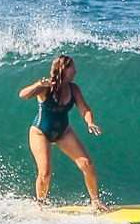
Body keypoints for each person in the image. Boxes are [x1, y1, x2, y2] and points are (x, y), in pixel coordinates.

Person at [18, 54, 109, 209]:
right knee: (45, 173)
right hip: (40, 132)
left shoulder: (74, 89)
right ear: (63, 69)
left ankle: (96, 201)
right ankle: (40, 204)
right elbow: (23, 95)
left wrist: (90, 122)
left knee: (87, 164)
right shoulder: (46, 86)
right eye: (73, 68)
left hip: (63, 132)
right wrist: (38, 85)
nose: (76, 71)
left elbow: (84, 109)